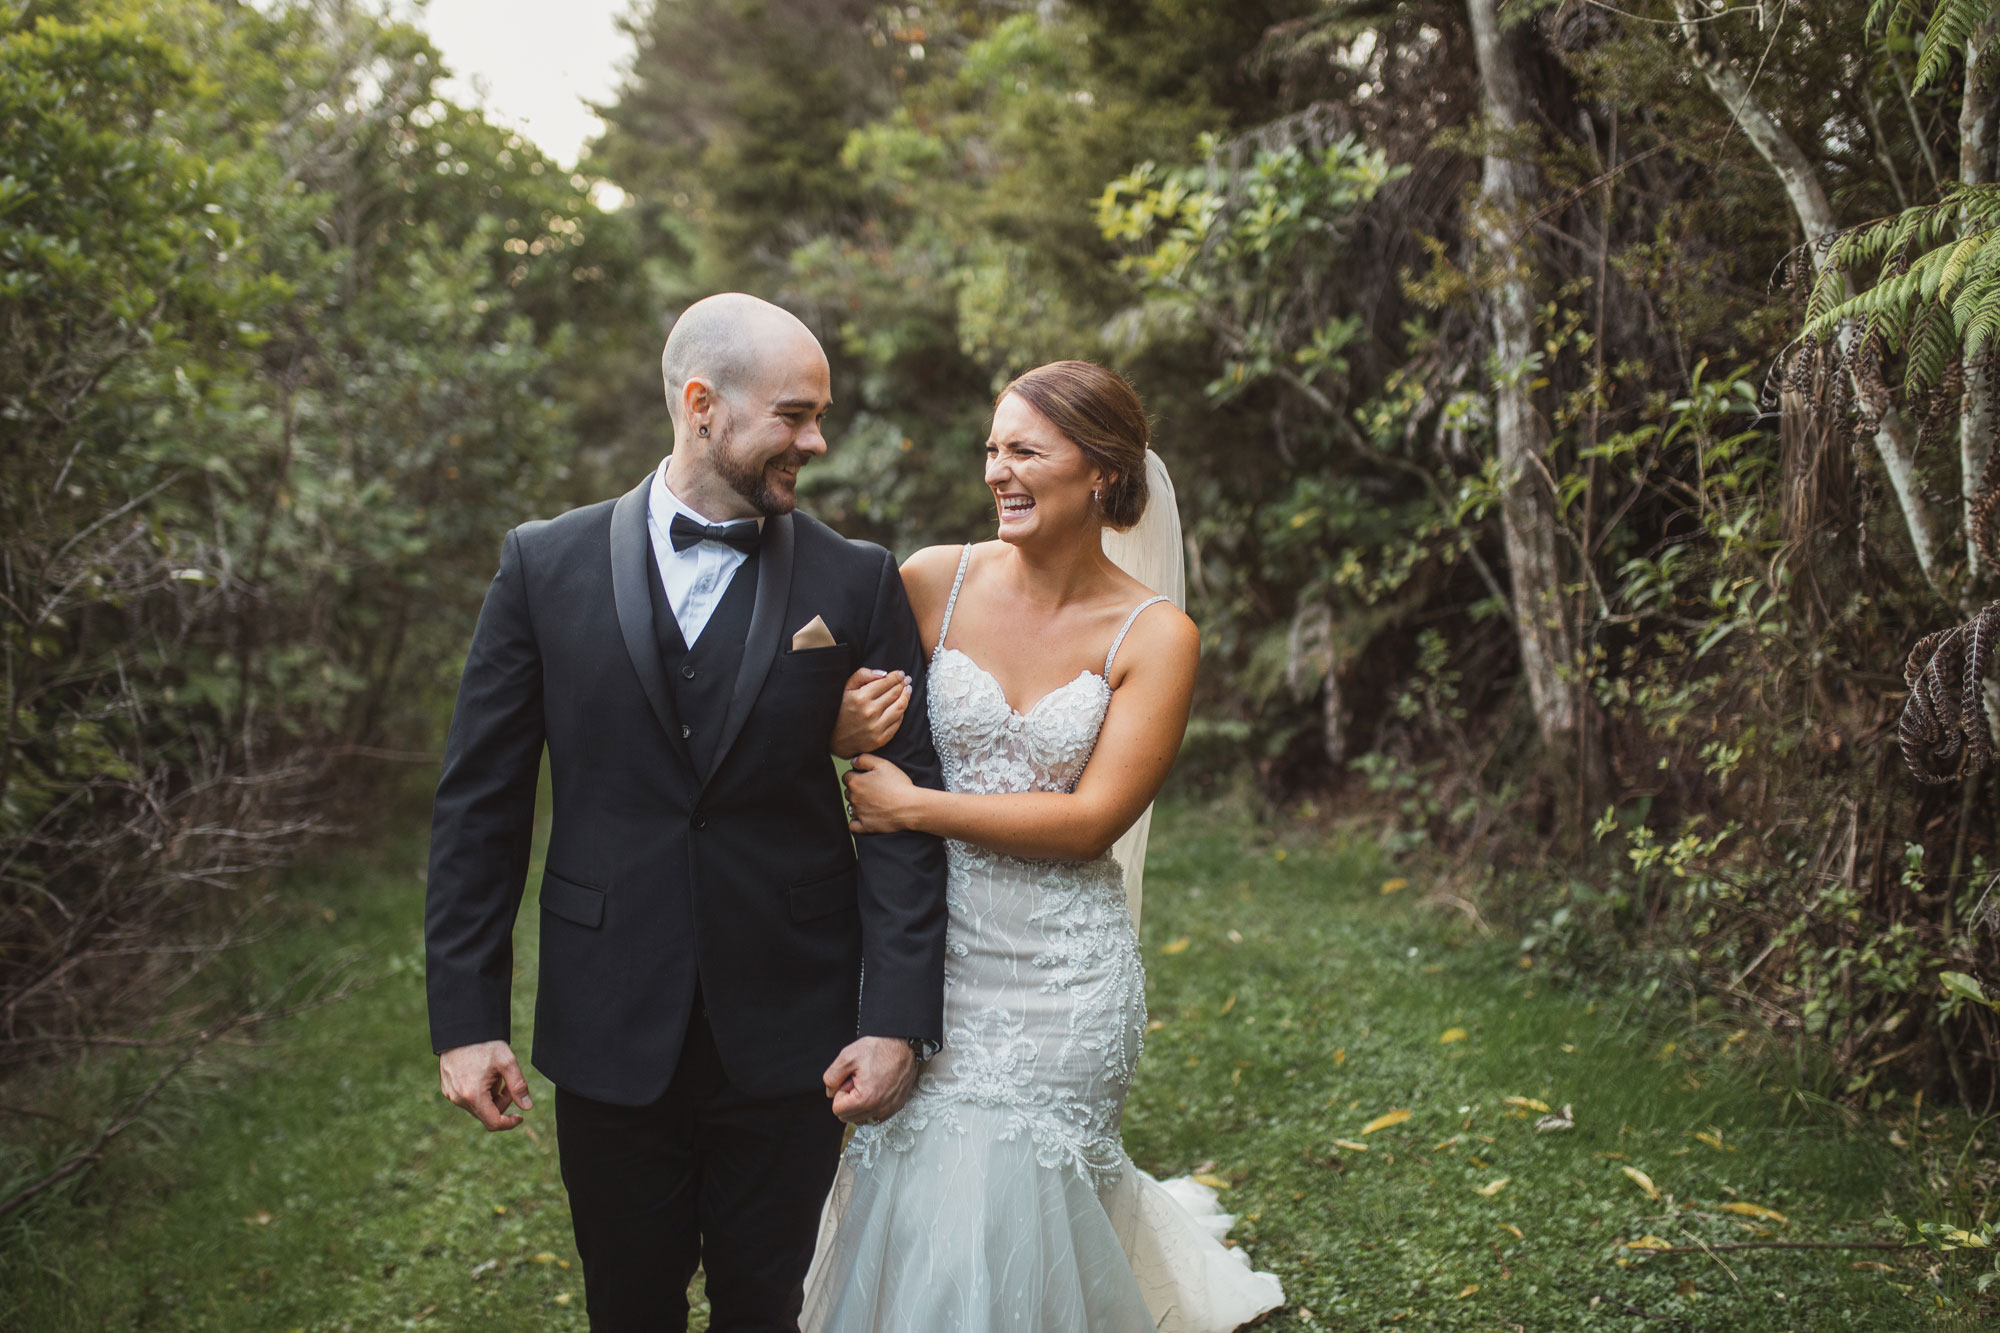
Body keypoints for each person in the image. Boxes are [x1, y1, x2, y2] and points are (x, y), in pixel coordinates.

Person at [424, 293, 949, 1331]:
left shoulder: (855, 578)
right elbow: (478, 805)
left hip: (793, 1015)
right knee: (627, 1301)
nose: (816, 439)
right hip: (608, 1007)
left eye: (819, 415)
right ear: (701, 405)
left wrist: (894, 1017)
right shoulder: (543, 563)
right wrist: (467, 1018)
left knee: (770, 1303)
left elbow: (904, 816)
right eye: (794, 415)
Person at [802, 361, 1284, 1331]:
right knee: (926, 1196)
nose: (997, 471)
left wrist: (919, 810)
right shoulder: (934, 579)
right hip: (931, 955)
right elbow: (854, 730)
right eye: (991, 448)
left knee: (1007, 1201)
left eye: (1023, 449)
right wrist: (838, 732)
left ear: (1101, 472)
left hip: (1063, 980)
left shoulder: (1154, 634)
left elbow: (1089, 820)